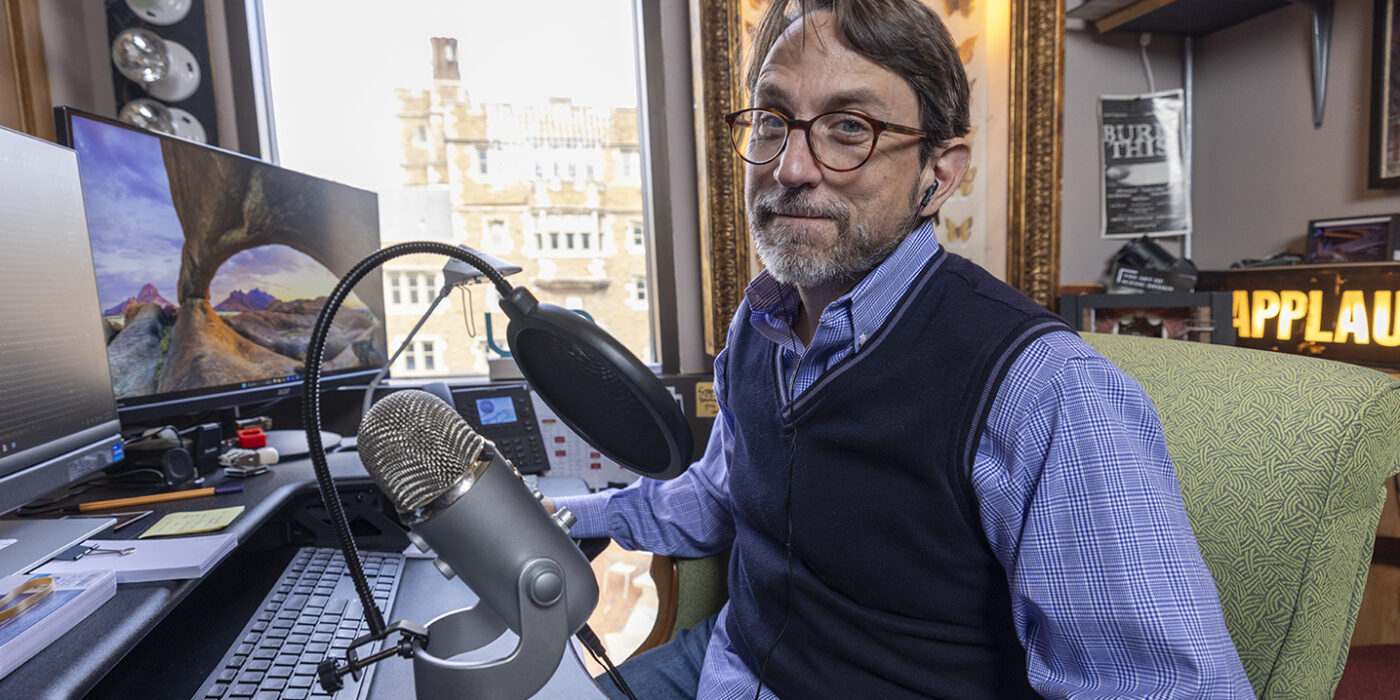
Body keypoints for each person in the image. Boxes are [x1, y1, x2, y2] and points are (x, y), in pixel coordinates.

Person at [553, 1, 1253, 697]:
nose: (790, 167)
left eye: (848, 128)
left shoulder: (1047, 390)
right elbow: (720, 491)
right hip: (728, 661)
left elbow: (1167, 687)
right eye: (772, 121)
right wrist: (565, 516)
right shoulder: (757, 324)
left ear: (938, 176)